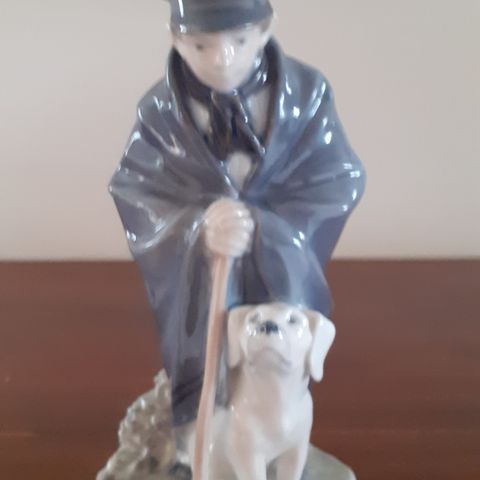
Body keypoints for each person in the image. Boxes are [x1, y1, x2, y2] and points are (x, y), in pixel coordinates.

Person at [109, 0, 365, 433]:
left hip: (278, 273)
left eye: (240, 40)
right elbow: (136, 189)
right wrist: (196, 229)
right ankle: (203, 424)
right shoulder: (159, 112)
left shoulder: (307, 96)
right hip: (203, 286)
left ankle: (277, 434)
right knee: (210, 369)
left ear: (265, 30)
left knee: (275, 362)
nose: (222, 58)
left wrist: (266, 227)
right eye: (201, 45)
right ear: (176, 39)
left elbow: (337, 179)